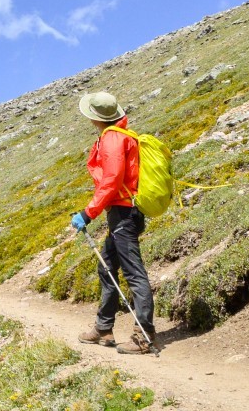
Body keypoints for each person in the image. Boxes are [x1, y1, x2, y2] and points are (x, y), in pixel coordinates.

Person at [71, 91, 156, 355]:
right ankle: (104, 328)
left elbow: (112, 180)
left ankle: (144, 335)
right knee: (106, 266)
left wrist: (88, 213)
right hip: (123, 212)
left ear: (95, 118)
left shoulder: (112, 140)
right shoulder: (121, 136)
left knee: (134, 273)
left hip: (123, 214)